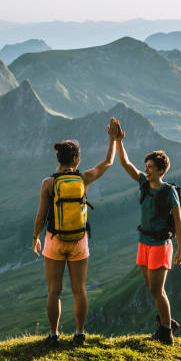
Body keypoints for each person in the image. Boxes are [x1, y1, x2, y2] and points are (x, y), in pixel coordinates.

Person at [32, 118, 118, 346]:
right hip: (79, 240)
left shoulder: (48, 183)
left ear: (59, 159)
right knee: (79, 289)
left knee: (54, 291)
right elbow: (108, 162)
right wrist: (113, 138)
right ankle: (80, 333)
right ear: (77, 158)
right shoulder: (83, 178)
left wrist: (35, 238)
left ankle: (53, 335)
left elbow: (41, 215)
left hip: (54, 239)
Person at [114, 120, 181, 345]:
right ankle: (166, 322)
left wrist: (180, 249)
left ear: (161, 170)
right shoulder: (144, 184)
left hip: (161, 245)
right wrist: (118, 141)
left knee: (157, 288)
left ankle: (166, 331)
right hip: (143, 242)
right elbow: (125, 163)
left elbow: (179, 223)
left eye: (151, 167)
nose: (146, 170)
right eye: (146, 166)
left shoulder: (169, 192)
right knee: (151, 288)